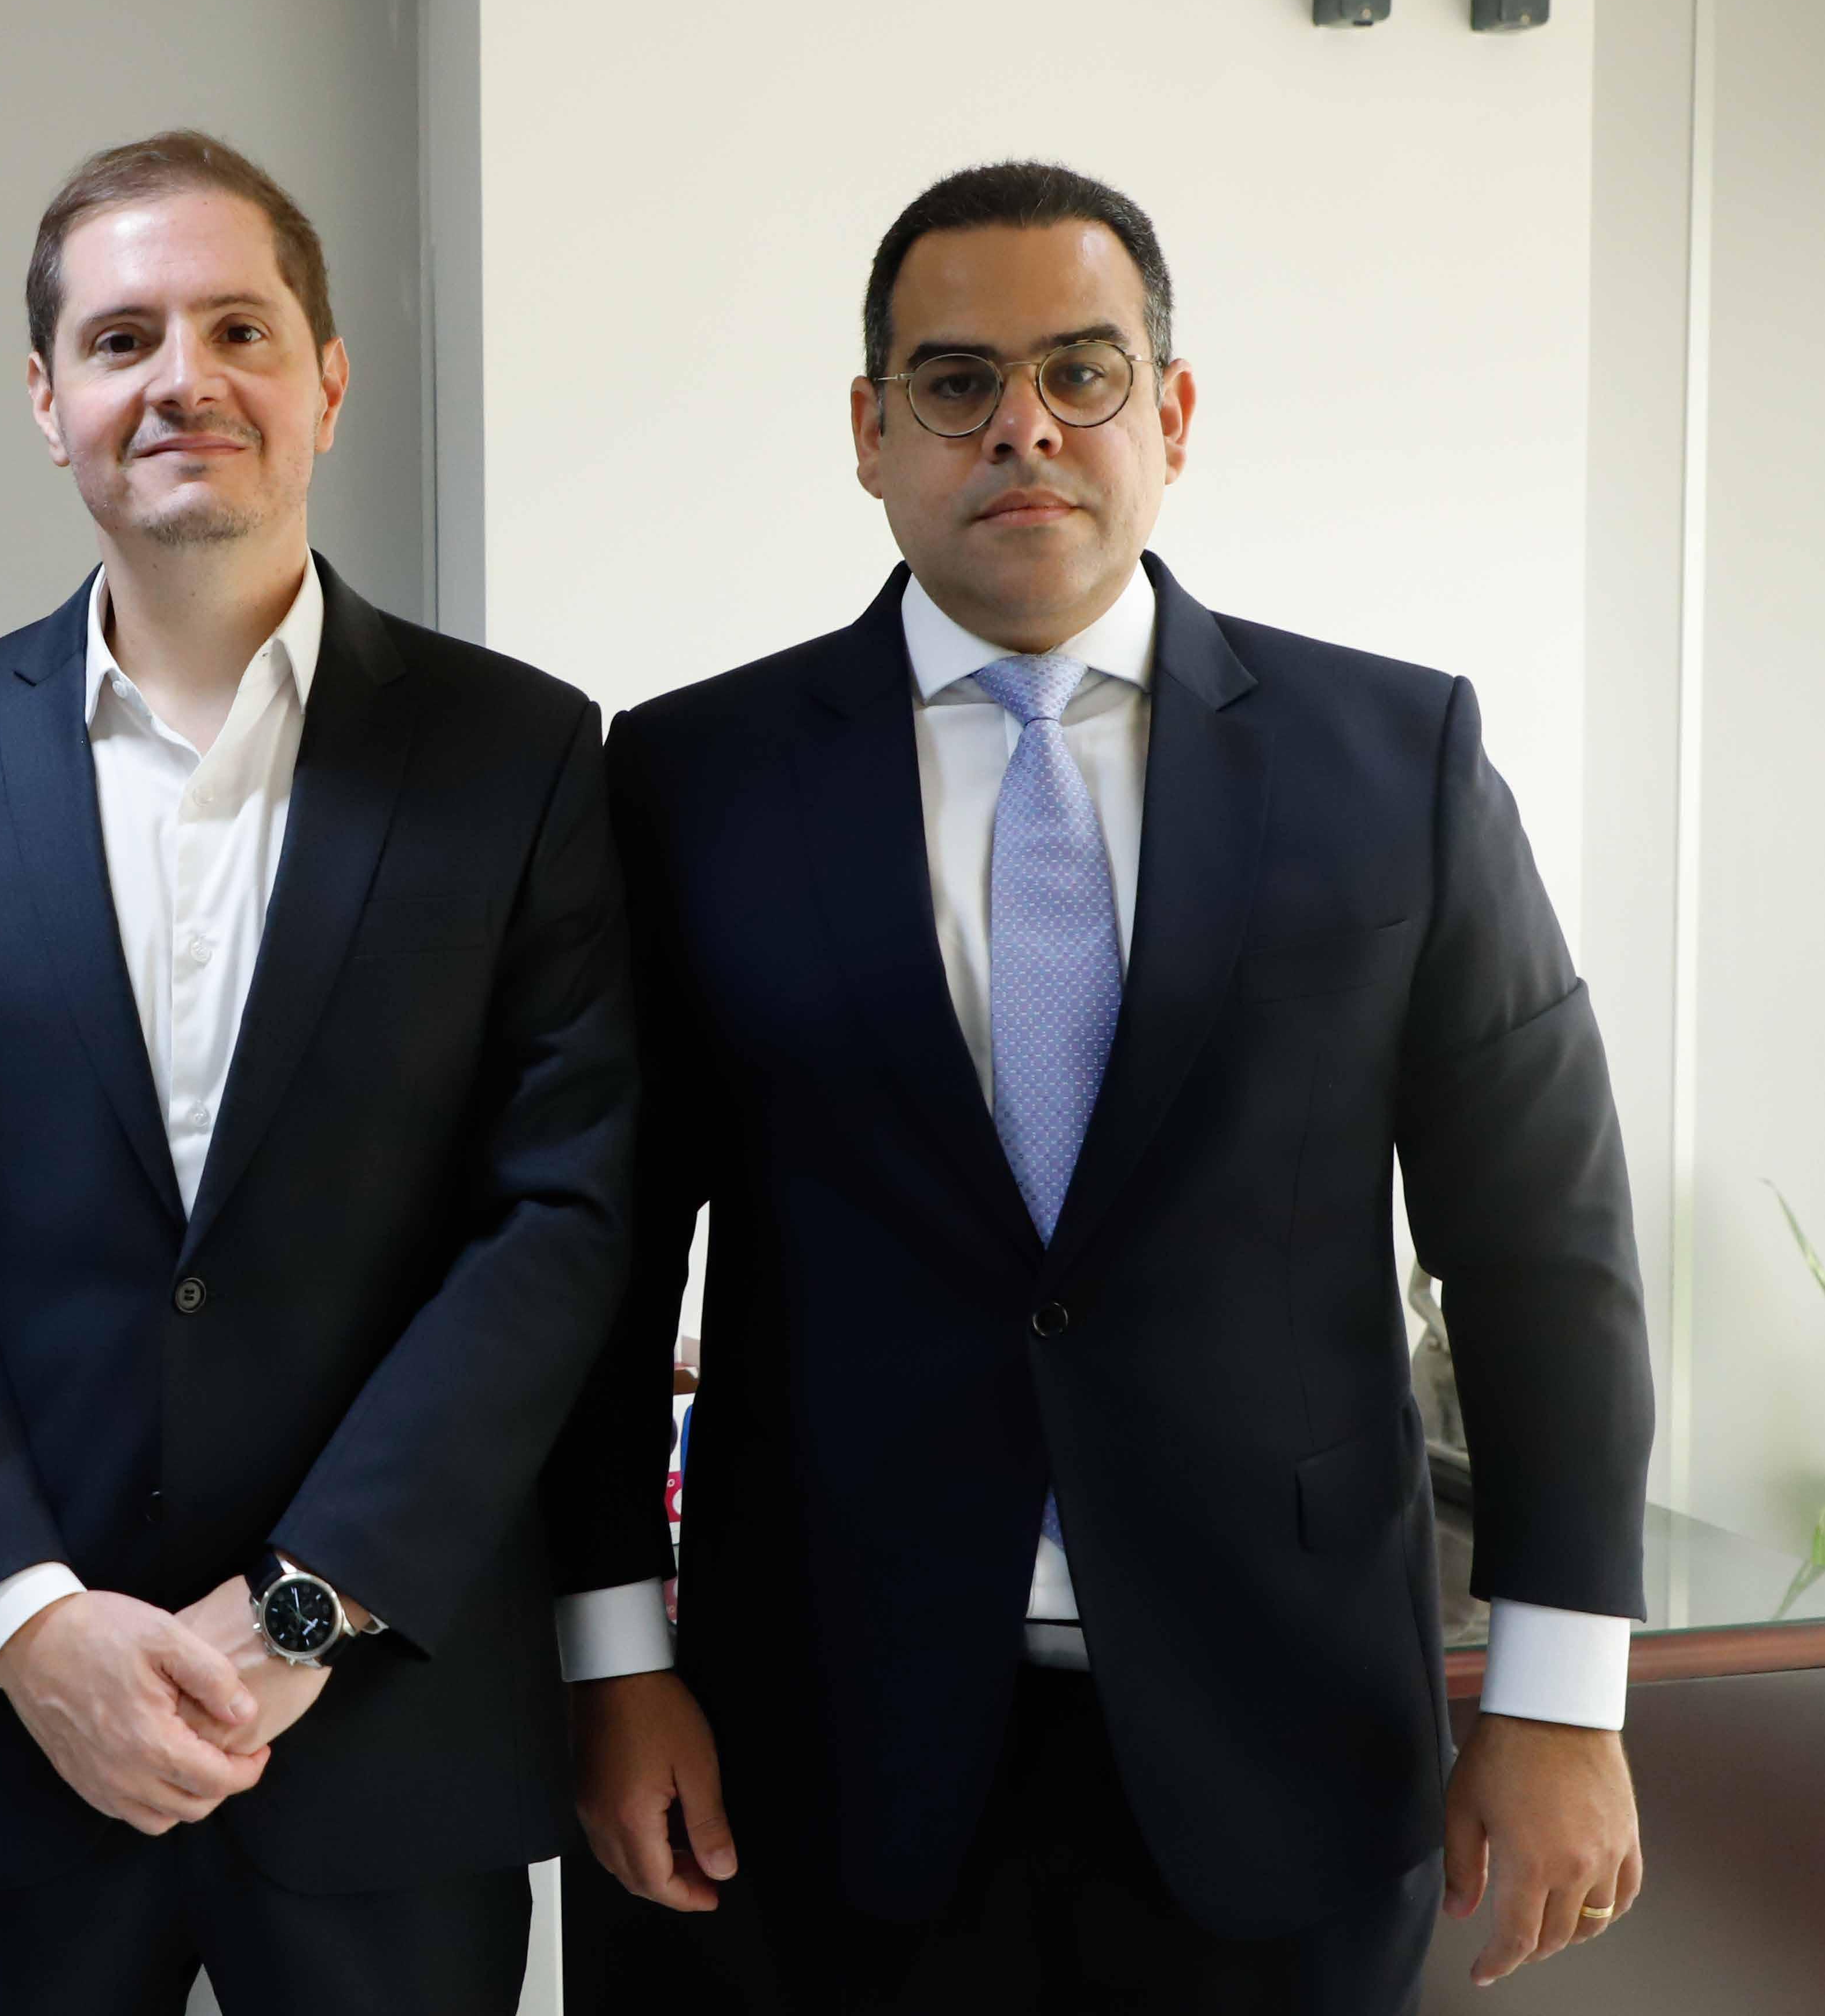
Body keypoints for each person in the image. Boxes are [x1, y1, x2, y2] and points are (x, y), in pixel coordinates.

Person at [551, 161, 1654, 2014]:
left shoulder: (1393, 759)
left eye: (1081, 370)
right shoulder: (685, 781)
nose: (1023, 428)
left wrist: (1558, 1696)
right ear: (869, 432)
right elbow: (596, 1259)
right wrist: (608, 1658)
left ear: (1173, 411)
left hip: (1283, 1743)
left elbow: (1542, 1250)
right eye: (954, 382)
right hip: (812, 1747)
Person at [0, 130, 635, 2015]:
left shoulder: (518, 756)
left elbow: (557, 1223)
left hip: (385, 1743)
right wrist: (30, 1626)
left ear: (326, 380)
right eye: (121, 339)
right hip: (21, 1737)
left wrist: (299, 1614)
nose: (182, 378)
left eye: (238, 328)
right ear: (48, 402)